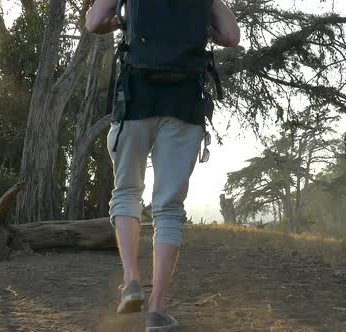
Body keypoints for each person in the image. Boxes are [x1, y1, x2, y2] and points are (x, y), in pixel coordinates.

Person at [86, 0, 239, 330]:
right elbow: (231, 35)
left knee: (126, 191)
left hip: (136, 97)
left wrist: (121, 24)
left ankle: (131, 281)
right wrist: (203, 29)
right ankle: (157, 309)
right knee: (168, 207)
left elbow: (94, 21)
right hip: (185, 103)